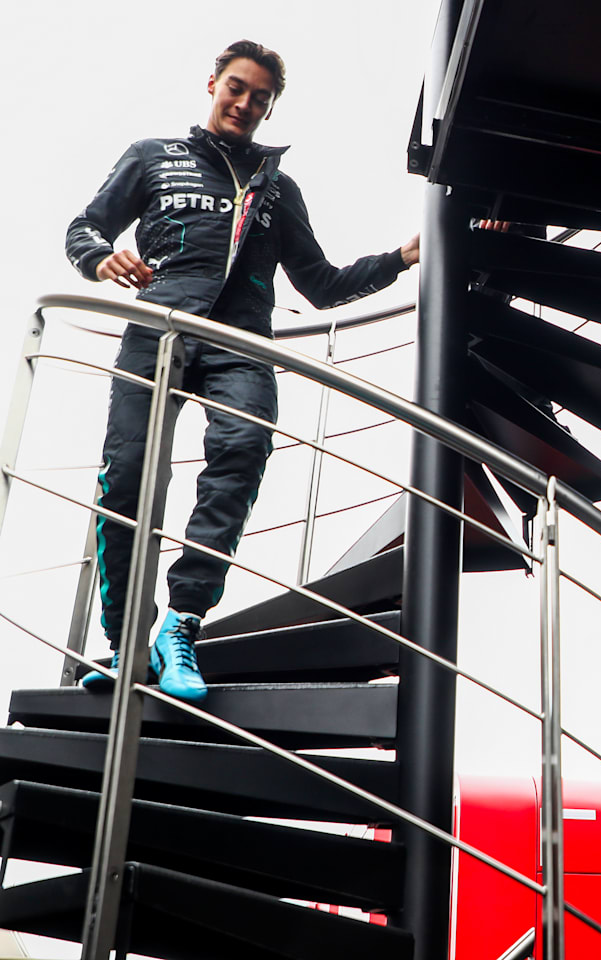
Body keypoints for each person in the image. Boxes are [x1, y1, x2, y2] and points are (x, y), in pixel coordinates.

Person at [64, 40, 419, 703]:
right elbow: (84, 226)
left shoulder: (279, 190)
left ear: (269, 106)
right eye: (237, 87)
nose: (245, 103)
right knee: (130, 479)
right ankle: (124, 644)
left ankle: (182, 626)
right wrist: (101, 260)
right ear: (212, 85)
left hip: (242, 342)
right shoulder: (152, 157)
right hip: (160, 330)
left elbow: (322, 284)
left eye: (260, 97)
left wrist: (402, 256)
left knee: (244, 448)